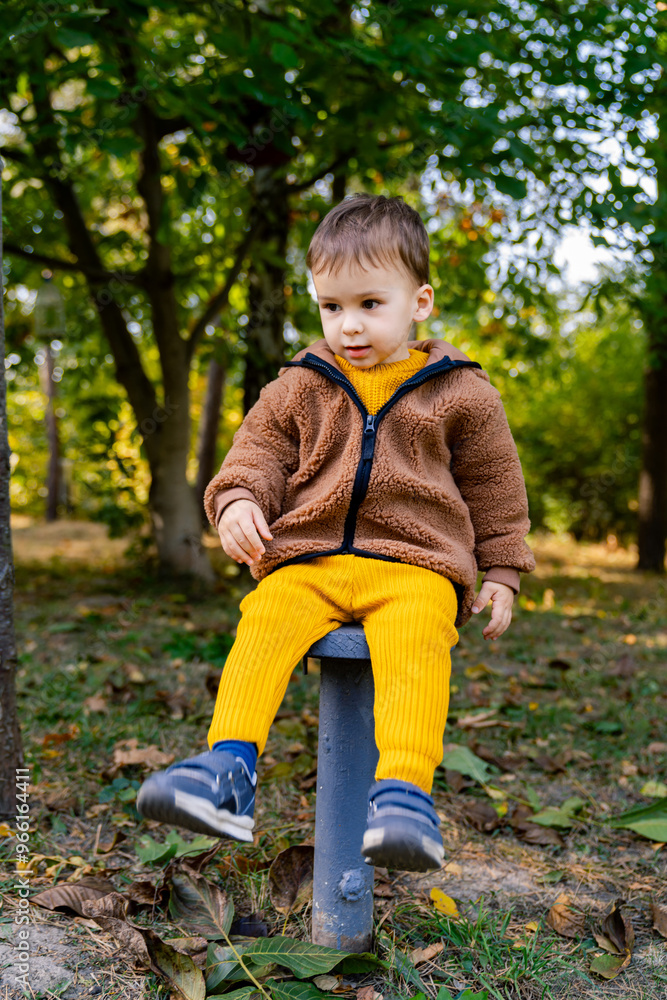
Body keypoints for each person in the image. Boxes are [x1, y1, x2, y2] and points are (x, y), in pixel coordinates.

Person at [137, 193, 535, 871]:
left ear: (420, 302)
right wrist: (235, 500)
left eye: (369, 305)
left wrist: (500, 571)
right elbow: (256, 455)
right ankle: (227, 770)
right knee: (264, 617)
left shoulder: (462, 392)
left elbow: (495, 487)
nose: (347, 325)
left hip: (415, 565)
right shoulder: (302, 382)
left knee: (416, 637)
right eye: (331, 307)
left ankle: (404, 794)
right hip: (310, 557)